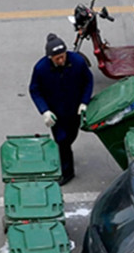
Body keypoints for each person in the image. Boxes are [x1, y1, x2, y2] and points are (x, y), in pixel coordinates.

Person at [29, 33, 94, 185]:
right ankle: (67, 172)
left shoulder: (77, 61)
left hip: (74, 110)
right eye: (57, 58)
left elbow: (88, 81)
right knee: (62, 140)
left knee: (70, 137)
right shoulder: (40, 69)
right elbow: (35, 90)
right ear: (50, 58)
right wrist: (44, 110)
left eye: (63, 56)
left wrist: (84, 102)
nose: (61, 60)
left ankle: (64, 153)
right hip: (55, 113)